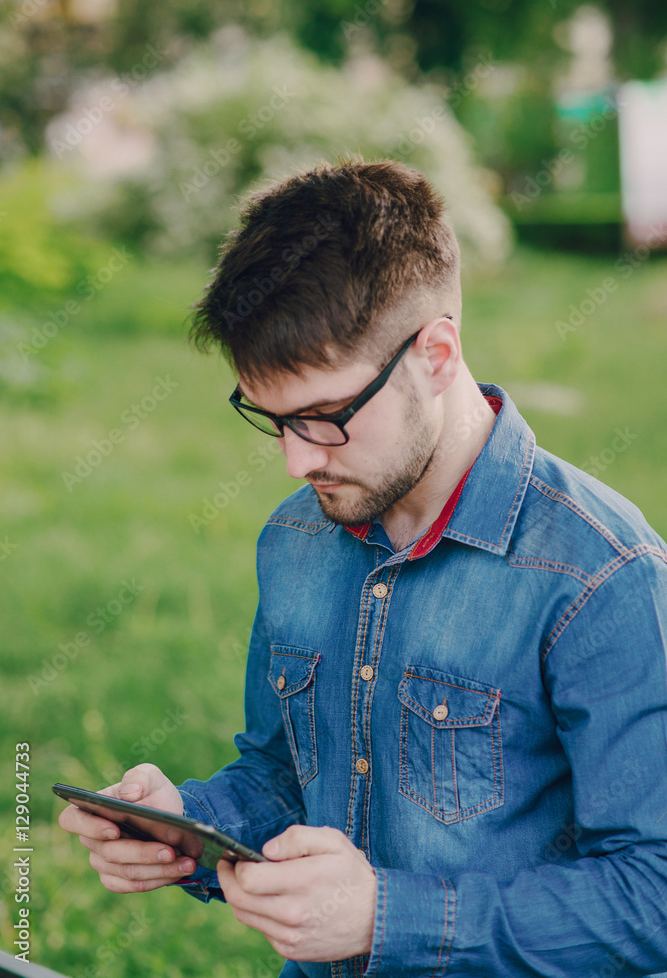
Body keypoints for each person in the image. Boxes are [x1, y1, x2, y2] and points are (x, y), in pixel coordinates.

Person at [59, 158, 667, 978]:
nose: (294, 462)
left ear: (436, 353)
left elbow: (652, 899)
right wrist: (188, 824)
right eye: (269, 420)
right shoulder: (298, 538)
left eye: (322, 418)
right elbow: (285, 771)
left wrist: (387, 917)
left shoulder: (600, 576)